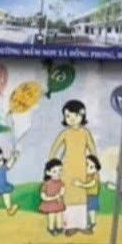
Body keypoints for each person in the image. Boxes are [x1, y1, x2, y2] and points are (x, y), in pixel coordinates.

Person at [48, 99, 98, 236]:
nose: (71, 119)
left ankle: (82, 225)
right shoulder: (65, 133)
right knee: (69, 196)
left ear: (82, 115)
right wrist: (52, 164)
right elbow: (54, 149)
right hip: (67, 168)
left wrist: (96, 166)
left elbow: (93, 150)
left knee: (81, 195)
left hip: (82, 167)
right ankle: (69, 226)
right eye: (67, 116)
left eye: (74, 115)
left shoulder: (85, 132)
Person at [73, 155, 102, 232]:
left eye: (91, 166)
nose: (88, 168)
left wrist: (81, 184)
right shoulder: (86, 175)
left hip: (92, 196)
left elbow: (91, 184)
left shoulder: (95, 175)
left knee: (91, 210)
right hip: (87, 196)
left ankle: (92, 224)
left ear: (96, 168)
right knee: (86, 210)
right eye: (86, 165)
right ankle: (88, 223)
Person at [38, 159, 66, 236]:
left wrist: (60, 194)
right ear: (48, 172)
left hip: (58, 203)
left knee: (59, 215)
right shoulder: (46, 183)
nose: (58, 173)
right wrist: (52, 198)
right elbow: (43, 196)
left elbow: (62, 190)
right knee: (52, 216)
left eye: (60, 170)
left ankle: (59, 228)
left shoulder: (61, 182)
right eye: (54, 171)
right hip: (50, 204)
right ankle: (51, 229)